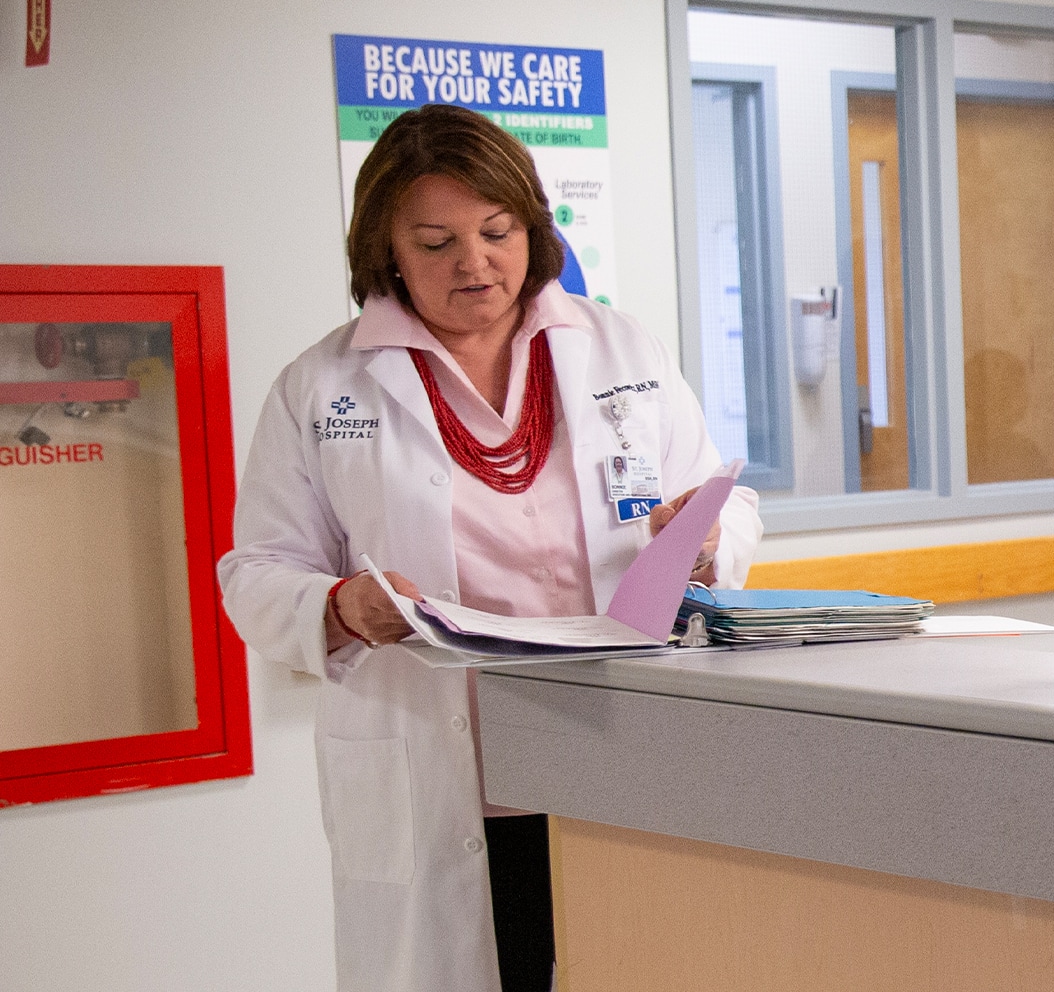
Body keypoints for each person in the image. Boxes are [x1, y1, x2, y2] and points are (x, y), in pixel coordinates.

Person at [217, 104, 762, 992]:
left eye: (496, 231)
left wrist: (700, 544)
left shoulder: (619, 346)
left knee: (635, 959)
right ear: (384, 249)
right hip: (438, 767)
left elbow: (722, 499)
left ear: (532, 228)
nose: (474, 263)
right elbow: (256, 569)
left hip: (615, 752)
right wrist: (338, 606)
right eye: (435, 241)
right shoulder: (321, 385)